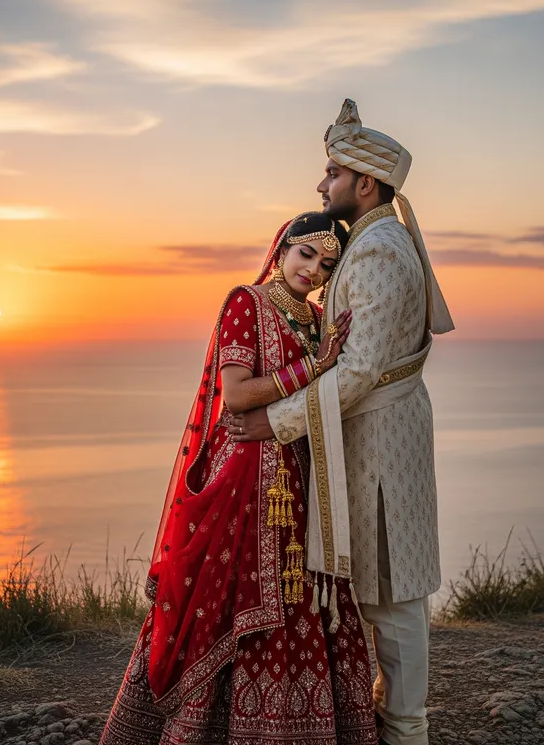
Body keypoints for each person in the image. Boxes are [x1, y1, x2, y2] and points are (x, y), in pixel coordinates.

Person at [99, 212, 379, 745]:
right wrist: (315, 367)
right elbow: (238, 394)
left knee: (304, 599)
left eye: (326, 264)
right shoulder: (245, 302)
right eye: (306, 255)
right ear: (281, 249)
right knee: (232, 601)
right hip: (247, 480)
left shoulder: (319, 321)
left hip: (304, 481)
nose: (313, 271)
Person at [230, 100, 455, 745]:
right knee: (376, 589)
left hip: (382, 441)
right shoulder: (368, 244)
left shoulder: (380, 251)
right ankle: (384, 718)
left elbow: (355, 374)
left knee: (394, 594)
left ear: (366, 183)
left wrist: (272, 421)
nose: (319, 185)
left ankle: (406, 729)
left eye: (331, 173)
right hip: (369, 436)